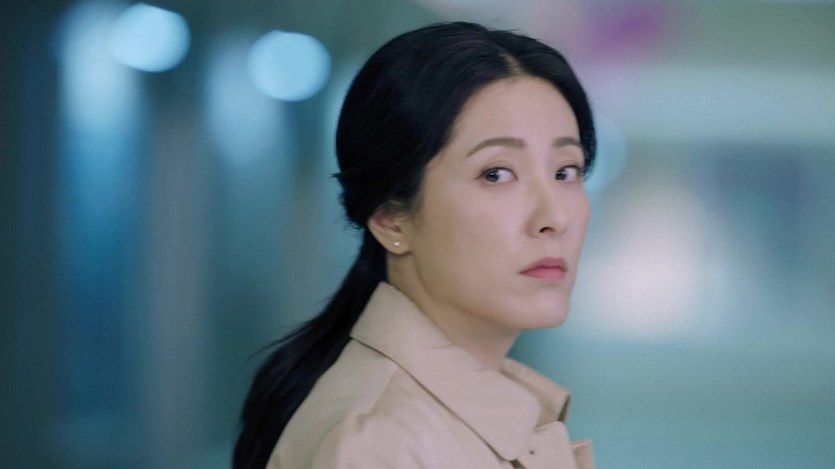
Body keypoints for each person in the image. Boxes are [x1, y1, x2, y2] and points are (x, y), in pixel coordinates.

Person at [234, 21, 597, 469]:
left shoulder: (472, 411)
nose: (554, 218)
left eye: (565, 171)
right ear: (390, 217)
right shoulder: (380, 445)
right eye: (496, 174)